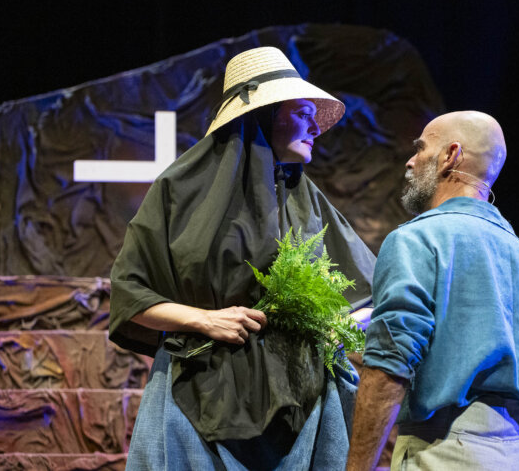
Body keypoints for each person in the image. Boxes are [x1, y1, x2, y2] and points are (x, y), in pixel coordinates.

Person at [109, 47, 376, 470]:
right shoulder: (178, 190)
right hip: (196, 390)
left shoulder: (306, 200)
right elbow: (129, 293)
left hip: (299, 401)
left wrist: (333, 324)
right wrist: (203, 319)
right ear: (265, 113)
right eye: (303, 111)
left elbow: (368, 296)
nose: (315, 128)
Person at [346, 111, 519, 471]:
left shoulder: (417, 240)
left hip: (447, 454)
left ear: (451, 156)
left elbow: (389, 364)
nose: (410, 161)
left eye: (421, 148)